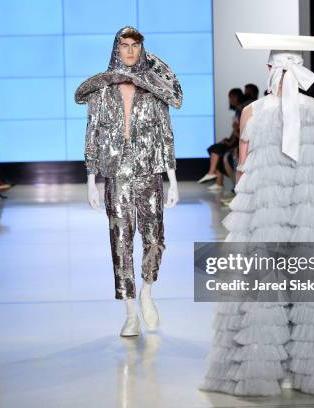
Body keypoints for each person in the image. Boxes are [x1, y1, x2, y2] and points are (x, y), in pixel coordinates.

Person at [201, 33, 314, 396]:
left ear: (268, 69)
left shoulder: (251, 112)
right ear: (301, 69)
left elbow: (243, 169)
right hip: (311, 211)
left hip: (263, 212)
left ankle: (255, 373)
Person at [75, 26, 182, 337]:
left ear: (141, 48)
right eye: (125, 45)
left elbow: (165, 134)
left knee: (155, 238)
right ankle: (130, 311)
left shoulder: (154, 89)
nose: (130, 51)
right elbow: (92, 134)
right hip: (117, 174)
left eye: (135, 45)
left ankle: (147, 292)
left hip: (149, 171)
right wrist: (90, 179)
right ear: (116, 49)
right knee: (120, 241)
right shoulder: (102, 91)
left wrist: (172, 178)